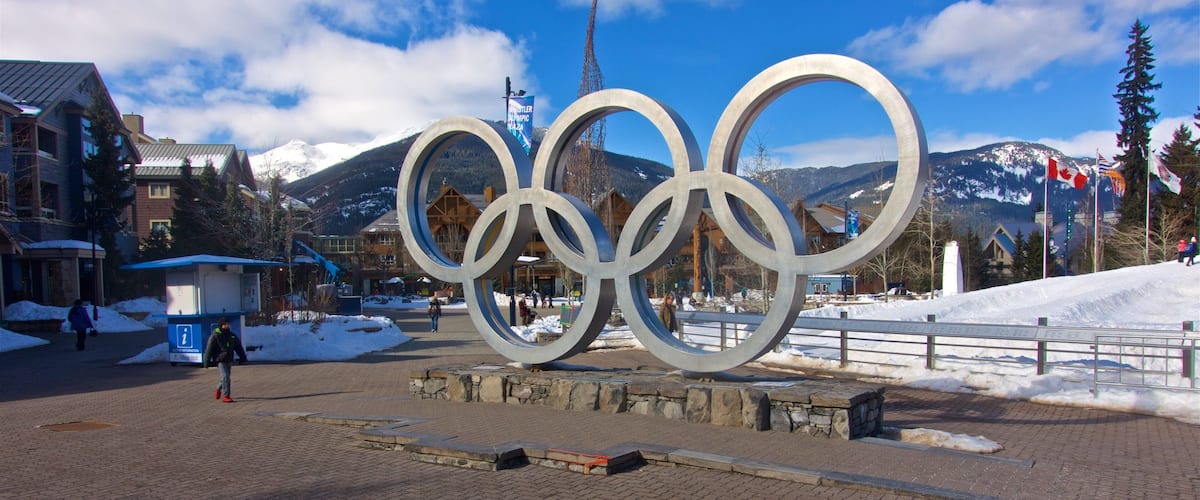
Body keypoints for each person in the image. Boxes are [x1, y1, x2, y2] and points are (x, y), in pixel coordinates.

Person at [203, 318, 248, 403]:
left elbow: (238, 348)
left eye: (228, 324)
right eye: (225, 324)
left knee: (225, 378)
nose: (227, 326)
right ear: (221, 325)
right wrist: (207, 362)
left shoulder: (232, 336)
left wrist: (243, 358)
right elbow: (209, 349)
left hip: (228, 359)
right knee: (225, 377)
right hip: (219, 360)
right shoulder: (215, 336)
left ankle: (218, 388)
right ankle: (226, 396)